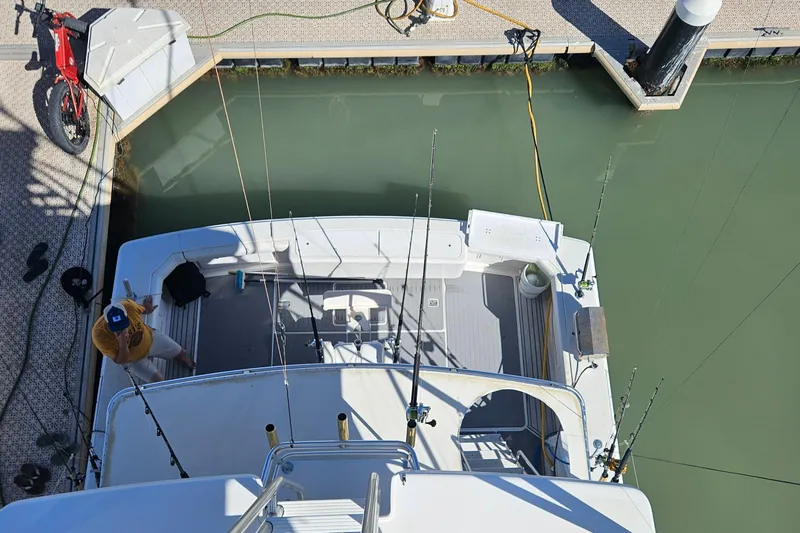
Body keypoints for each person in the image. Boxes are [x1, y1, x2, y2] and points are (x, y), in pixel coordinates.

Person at [92, 295, 195, 382]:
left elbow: (142, 309)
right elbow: (121, 360)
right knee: (159, 381)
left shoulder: (129, 306)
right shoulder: (99, 336)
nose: (122, 330)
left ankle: (181, 357)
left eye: (124, 325)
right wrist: (123, 343)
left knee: (181, 352)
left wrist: (148, 308)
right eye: (117, 329)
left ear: (126, 314)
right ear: (108, 325)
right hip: (133, 359)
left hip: (150, 339)